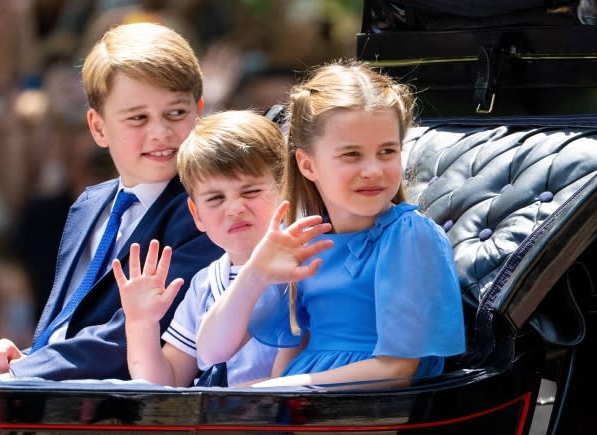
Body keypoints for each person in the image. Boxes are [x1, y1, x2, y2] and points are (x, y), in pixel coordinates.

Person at [0, 22, 222, 380]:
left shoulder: (203, 209)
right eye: (138, 117)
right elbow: (72, 326)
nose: (160, 132)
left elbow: (129, 338)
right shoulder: (90, 205)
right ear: (99, 127)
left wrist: (24, 373)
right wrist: (19, 357)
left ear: (199, 110)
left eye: (176, 113)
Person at [196, 60, 466, 387]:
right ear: (308, 165)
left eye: (387, 152)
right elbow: (212, 352)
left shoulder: (410, 237)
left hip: (362, 408)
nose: (373, 170)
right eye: (351, 155)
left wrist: (270, 389)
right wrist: (255, 273)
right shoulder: (305, 240)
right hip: (301, 401)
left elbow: (396, 370)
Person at [113, 110, 329, 387]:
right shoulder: (205, 284)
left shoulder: (311, 261)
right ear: (197, 214)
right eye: (215, 198)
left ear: (285, 188)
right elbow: (167, 382)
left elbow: (288, 380)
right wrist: (141, 323)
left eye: (250, 191)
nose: (235, 209)